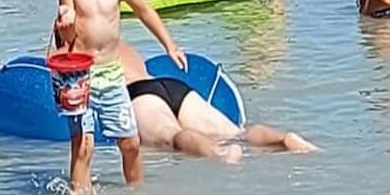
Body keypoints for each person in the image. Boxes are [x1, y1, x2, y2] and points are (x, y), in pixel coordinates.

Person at [52, 0, 185, 191]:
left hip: (112, 75)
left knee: (131, 143)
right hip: (79, 77)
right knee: (83, 145)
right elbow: (68, 33)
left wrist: (170, 45)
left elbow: (144, 10)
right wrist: (66, 25)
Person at [116, 41, 315, 159]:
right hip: (171, 85)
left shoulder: (95, 44)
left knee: (173, 137)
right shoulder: (115, 38)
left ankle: (219, 154)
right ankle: (284, 139)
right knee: (237, 134)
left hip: (138, 94)